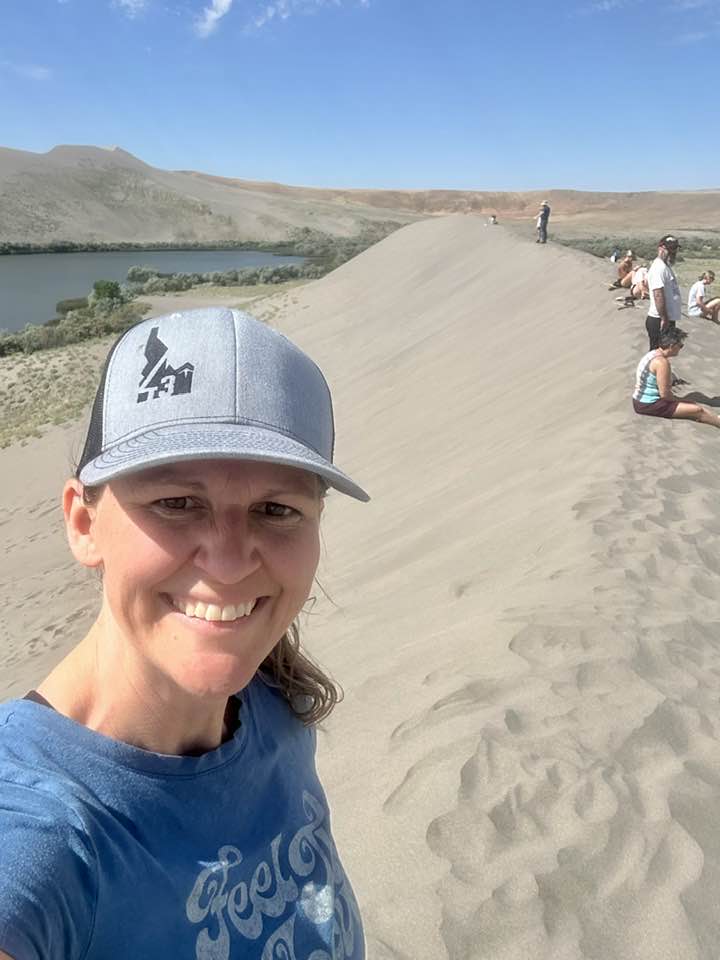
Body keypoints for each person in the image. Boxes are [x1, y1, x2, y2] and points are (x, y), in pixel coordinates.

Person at [0, 308, 369, 960]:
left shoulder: (274, 702)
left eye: (277, 509)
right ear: (83, 525)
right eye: (175, 502)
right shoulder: (39, 827)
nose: (229, 562)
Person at [632, 326, 720, 428]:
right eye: (680, 345)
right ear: (671, 346)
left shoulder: (652, 354)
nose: (681, 348)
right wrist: (681, 401)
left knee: (692, 404)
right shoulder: (661, 363)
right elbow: (665, 395)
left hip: (641, 400)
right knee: (697, 410)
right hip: (649, 404)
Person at [646, 234, 682, 350]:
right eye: (670, 248)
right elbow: (658, 294)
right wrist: (664, 318)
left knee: (665, 353)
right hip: (659, 320)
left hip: (667, 319)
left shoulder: (665, 267)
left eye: (675, 248)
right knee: (658, 354)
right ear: (660, 248)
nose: (673, 251)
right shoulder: (659, 268)